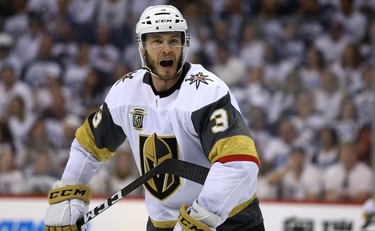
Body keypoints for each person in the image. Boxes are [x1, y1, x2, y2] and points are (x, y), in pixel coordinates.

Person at [43, 5, 265, 231]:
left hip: (230, 220)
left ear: (184, 45)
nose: (166, 49)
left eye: (173, 40)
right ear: (142, 48)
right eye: (157, 41)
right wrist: (70, 192)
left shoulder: (206, 92)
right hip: (163, 223)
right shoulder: (125, 92)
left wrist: (199, 219)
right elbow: (88, 146)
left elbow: (239, 163)